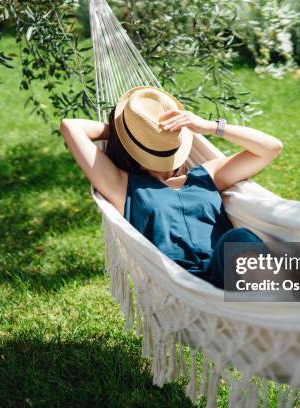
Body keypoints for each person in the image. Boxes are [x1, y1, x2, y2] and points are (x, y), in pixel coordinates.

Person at [60, 86, 282, 289]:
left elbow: (271, 148)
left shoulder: (206, 175)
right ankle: (283, 309)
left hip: (225, 271)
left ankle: (282, 310)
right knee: (240, 241)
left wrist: (210, 127)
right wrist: (131, 131)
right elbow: (71, 127)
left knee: (239, 238)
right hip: (181, 285)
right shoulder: (123, 186)